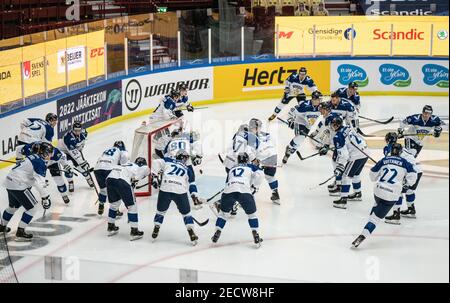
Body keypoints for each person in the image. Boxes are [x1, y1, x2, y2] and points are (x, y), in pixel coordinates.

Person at [352, 143, 417, 248]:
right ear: (400, 152)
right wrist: (405, 184)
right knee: (375, 220)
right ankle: (363, 235)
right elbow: (413, 177)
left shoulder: (384, 160)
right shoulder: (405, 163)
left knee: (377, 205)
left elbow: (372, 175)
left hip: (378, 191)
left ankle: (372, 215)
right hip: (391, 196)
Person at [0, 143, 53, 241]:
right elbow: (38, 183)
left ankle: (2, 226)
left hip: (9, 181)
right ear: (44, 153)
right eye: (49, 153)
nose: (51, 155)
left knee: (13, 207)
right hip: (19, 184)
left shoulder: (33, 156)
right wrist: (45, 197)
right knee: (32, 208)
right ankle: (20, 231)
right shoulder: (40, 162)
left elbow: (30, 174)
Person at [211, 152, 265, 248]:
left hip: (229, 191)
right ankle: (256, 235)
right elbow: (260, 175)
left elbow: (227, 182)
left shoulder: (232, 169)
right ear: (247, 160)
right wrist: (254, 186)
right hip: (244, 191)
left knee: (223, 214)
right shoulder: (251, 166)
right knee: (252, 215)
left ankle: (217, 232)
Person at [151, 150, 200, 246]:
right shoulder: (188, 169)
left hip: (166, 187)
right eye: (186, 158)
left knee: (160, 212)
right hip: (180, 190)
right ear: (183, 158)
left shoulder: (168, 160)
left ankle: (156, 227)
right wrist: (194, 195)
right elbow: (192, 184)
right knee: (186, 214)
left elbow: (155, 162)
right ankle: (191, 232)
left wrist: (155, 176)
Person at [106, 157, 150, 241]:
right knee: (132, 206)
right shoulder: (141, 167)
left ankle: (110, 227)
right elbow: (146, 170)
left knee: (114, 204)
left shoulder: (126, 164)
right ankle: (134, 232)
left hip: (109, 179)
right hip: (122, 181)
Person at [382, 132, 423, 223]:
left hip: (409, 172)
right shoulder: (402, 147)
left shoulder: (390, 148)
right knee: (409, 191)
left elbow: (390, 161)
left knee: (398, 191)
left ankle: (396, 215)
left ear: (388, 140)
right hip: (418, 170)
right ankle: (411, 209)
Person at [331, 116, 369, 209]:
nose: (332, 126)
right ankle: (357, 193)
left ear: (336, 125)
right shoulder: (348, 127)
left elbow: (344, 154)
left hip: (356, 156)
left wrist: (340, 166)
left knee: (345, 176)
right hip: (365, 152)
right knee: (356, 174)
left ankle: (343, 200)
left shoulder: (338, 136)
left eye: (333, 124)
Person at [163, 128, 203, 209]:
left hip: (173, 164)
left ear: (173, 135)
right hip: (186, 163)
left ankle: (169, 197)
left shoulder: (170, 142)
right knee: (192, 181)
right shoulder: (186, 139)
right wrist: (196, 157)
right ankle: (195, 196)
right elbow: (193, 149)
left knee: (173, 180)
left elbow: (165, 155)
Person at [282, 91, 322, 164]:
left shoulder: (321, 107)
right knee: (300, 137)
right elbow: (292, 111)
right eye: (319, 99)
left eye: (320, 99)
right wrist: (290, 121)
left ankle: (288, 152)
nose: (320, 101)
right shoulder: (304, 105)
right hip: (300, 122)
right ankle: (289, 149)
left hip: (308, 126)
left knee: (299, 141)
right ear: (314, 99)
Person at [94, 141, 129, 216]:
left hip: (97, 169)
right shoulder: (122, 150)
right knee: (115, 190)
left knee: (103, 189)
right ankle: (115, 210)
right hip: (108, 169)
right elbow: (124, 160)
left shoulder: (107, 150)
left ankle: (101, 204)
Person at [57, 121, 93, 192]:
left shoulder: (84, 133)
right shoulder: (68, 137)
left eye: (79, 130)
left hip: (75, 150)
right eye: (75, 131)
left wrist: (81, 159)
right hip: (64, 153)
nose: (77, 132)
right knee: (69, 168)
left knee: (83, 168)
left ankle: (88, 178)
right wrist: (82, 162)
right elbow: (73, 153)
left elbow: (80, 145)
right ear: (72, 129)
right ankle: (70, 182)